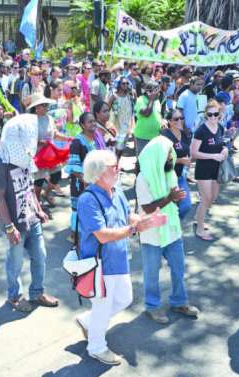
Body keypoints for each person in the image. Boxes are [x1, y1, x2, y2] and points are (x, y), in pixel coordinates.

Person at [75, 149, 166, 366]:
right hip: (100, 264)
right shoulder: (88, 199)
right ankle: (96, 347)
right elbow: (102, 235)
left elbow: (127, 215)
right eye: (113, 167)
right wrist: (134, 229)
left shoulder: (115, 191)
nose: (118, 170)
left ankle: (88, 321)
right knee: (103, 307)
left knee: (124, 299)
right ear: (98, 173)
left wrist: (145, 220)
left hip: (118, 259)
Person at [0, 113, 59, 312]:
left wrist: (38, 208)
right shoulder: (1, 165)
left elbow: (29, 187)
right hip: (15, 224)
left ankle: (37, 292)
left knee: (40, 256)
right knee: (15, 263)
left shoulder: (26, 158)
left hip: (32, 219)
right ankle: (14, 296)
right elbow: (0, 197)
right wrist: (9, 226)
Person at [136, 136, 199, 324]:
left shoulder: (169, 172)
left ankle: (179, 302)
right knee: (152, 274)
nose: (172, 157)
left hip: (171, 229)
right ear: (158, 156)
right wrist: (170, 198)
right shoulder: (143, 177)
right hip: (152, 233)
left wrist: (178, 197)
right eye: (168, 154)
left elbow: (173, 195)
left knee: (178, 269)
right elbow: (147, 208)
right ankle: (152, 307)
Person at [190, 100, 228, 241]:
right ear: (206, 115)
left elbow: (222, 144)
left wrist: (225, 150)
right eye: (209, 114)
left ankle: (197, 217)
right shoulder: (201, 131)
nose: (212, 117)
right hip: (203, 169)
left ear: (220, 115)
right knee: (206, 199)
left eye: (215, 114)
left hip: (216, 169)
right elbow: (194, 153)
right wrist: (213, 156)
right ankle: (200, 229)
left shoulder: (220, 128)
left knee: (212, 198)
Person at [28, 93, 71, 207]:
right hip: (38, 153)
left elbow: (55, 133)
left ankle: (46, 193)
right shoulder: (31, 120)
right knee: (39, 179)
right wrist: (39, 142)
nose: (46, 107)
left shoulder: (50, 118)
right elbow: (27, 138)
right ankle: (37, 203)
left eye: (46, 104)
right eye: (43, 105)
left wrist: (67, 138)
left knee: (57, 174)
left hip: (50, 153)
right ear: (36, 107)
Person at [65, 112, 102, 240]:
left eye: (94, 121)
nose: (93, 124)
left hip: (94, 181)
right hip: (81, 183)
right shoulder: (77, 142)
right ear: (82, 125)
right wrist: (86, 180)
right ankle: (74, 235)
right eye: (89, 122)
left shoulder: (96, 138)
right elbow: (73, 167)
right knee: (78, 209)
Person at [160, 109, 192, 219]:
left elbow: (188, 152)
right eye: (176, 119)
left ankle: (175, 224)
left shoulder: (186, 134)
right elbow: (161, 159)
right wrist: (180, 160)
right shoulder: (164, 135)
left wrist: (187, 162)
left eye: (181, 118)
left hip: (180, 175)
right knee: (168, 206)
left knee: (186, 205)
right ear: (169, 121)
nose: (180, 121)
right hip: (166, 177)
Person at [108, 77, 134, 160]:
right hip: (116, 124)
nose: (125, 85)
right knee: (117, 146)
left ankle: (117, 162)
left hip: (127, 124)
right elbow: (107, 109)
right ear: (119, 85)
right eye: (123, 83)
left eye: (127, 83)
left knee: (122, 146)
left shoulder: (129, 95)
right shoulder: (114, 97)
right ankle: (114, 162)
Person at [133, 81, 162, 156]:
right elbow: (146, 113)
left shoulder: (157, 101)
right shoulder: (141, 100)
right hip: (143, 137)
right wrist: (151, 99)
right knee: (142, 159)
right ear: (149, 92)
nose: (159, 94)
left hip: (155, 136)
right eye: (157, 91)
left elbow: (158, 115)